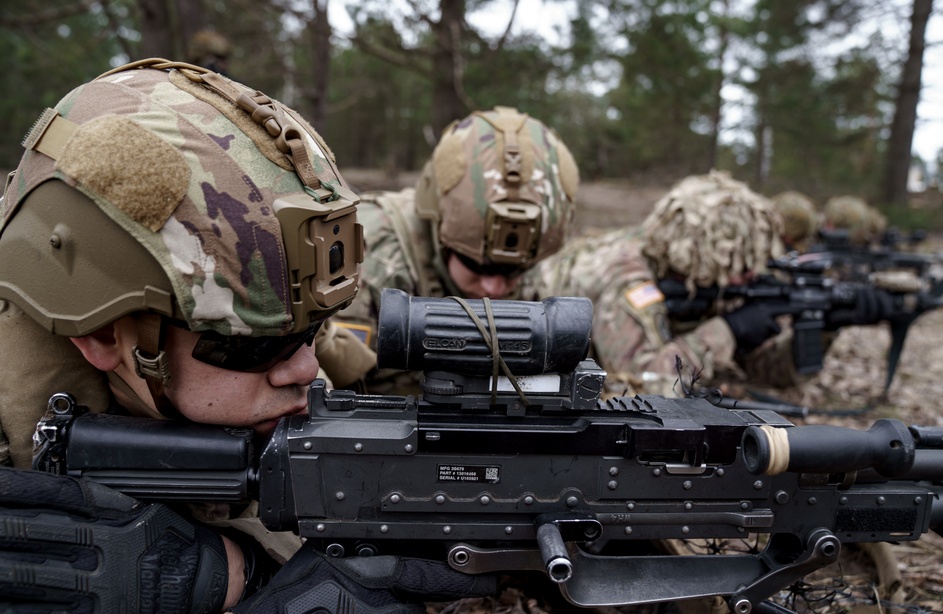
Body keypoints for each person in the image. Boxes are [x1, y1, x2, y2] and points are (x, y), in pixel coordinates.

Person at [0, 59, 490, 613]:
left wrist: (245, 575)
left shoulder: (270, 372)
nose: (305, 370)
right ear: (104, 334)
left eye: (314, 332)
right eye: (253, 347)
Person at [520, 171, 896, 398]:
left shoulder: (702, 281)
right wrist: (726, 332)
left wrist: (825, 326)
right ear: (703, 255)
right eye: (739, 264)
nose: (749, 275)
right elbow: (641, 388)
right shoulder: (626, 277)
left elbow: (763, 372)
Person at [324, 105, 579, 393]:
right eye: (477, 266)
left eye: (514, 272)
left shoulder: (536, 261)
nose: (494, 287)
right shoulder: (371, 254)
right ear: (437, 227)